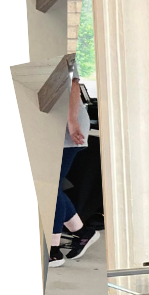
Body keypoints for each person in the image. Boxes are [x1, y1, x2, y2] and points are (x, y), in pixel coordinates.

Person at [50, 55, 99, 267]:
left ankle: (53, 251)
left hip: (68, 129)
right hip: (49, 127)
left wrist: (71, 121)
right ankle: (82, 232)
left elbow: (73, 84)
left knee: (50, 189)